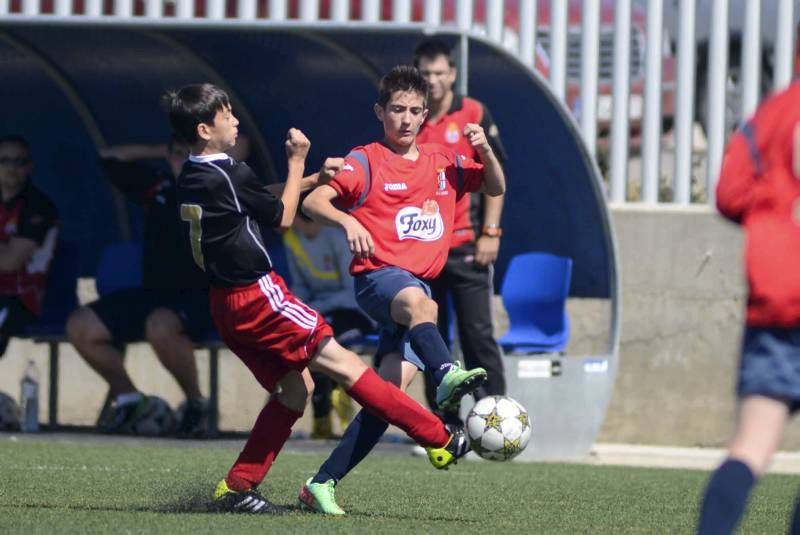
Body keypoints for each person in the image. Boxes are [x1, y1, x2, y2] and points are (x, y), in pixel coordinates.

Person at [166, 82, 471, 515]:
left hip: (225, 304)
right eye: (226, 114)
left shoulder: (195, 174)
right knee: (345, 366)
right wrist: (297, 161)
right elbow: (285, 216)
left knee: (296, 389)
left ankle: (238, 486)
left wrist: (311, 180)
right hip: (258, 295)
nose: (235, 120)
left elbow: (251, 198)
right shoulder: (231, 171)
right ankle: (439, 437)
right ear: (203, 128)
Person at [299, 65, 506, 515]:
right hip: (378, 280)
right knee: (421, 302)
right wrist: (348, 219)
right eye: (397, 109)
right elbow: (313, 200)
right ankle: (447, 373)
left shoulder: (443, 163)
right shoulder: (366, 159)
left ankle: (321, 482)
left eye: (414, 111)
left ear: (425, 115)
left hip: (413, 290)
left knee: (387, 399)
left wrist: (485, 151)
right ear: (380, 111)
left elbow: (495, 184)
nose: (406, 119)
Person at [696, 77, 800, 533]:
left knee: (750, 448)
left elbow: (728, 193)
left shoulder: (775, 112)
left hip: (779, 292)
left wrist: (774, 213)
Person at [65, 138, 215, 438]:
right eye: (176, 153)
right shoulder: (157, 188)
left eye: (188, 153)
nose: (180, 159)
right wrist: (162, 149)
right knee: (81, 326)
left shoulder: (215, 189)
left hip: (201, 297)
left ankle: (196, 404)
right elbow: (109, 156)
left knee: (159, 325)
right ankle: (132, 399)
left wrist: (198, 156)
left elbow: (245, 145)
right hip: (153, 293)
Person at [414, 38, 508, 429]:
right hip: (423, 254)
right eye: (426, 73)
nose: (433, 81)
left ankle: (499, 419)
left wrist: (491, 231)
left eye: (439, 73)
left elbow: (496, 175)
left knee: (477, 336)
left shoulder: (473, 112)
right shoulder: (410, 117)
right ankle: (443, 425)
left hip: (466, 246)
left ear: (452, 74)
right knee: (430, 339)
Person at [283, 205, 375, 439]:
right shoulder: (292, 239)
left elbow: (351, 291)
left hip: (353, 311)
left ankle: (343, 396)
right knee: (308, 343)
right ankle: (321, 414)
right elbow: (300, 285)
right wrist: (300, 307)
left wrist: (318, 308)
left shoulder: (337, 237)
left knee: (331, 342)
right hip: (322, 310)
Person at [0, 135, 58, 358]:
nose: (12, 168)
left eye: (19, 161)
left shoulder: (38, 205)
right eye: (4, 161)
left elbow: (9, 262)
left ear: (29, 167)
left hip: (23, 297)